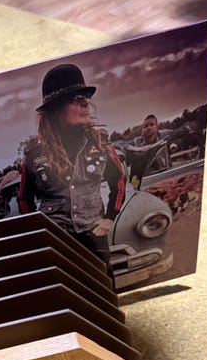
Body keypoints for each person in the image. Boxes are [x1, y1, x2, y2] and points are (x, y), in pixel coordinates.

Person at [17, 63, 126, 269]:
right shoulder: (34, 152)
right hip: (55, 239)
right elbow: (24, 197)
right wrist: (38, 230)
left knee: (102, 284)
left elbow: (119, 181)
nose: (85, 103)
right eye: (75, 98)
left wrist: (109, 218)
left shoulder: (100, 143)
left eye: (86, 97)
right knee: (64, 285)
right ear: (55, 108)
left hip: (94, 236)